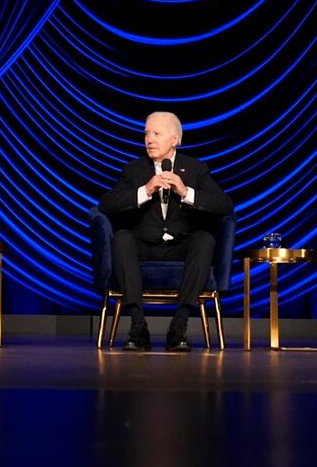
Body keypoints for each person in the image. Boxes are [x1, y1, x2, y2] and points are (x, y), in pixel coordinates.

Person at [99, 112, 234, 352]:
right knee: (121, 238)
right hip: (144, 248)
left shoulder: (195, 168)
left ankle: (179, 326)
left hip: (180, 250)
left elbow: (224, 205)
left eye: (156, 134)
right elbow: (107, 204)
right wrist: (145, 190)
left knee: (205, 239)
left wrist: (186, 192)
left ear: (174, 139)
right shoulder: (134, 169)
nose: (149, 139)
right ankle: (138, 326)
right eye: (146, 133)